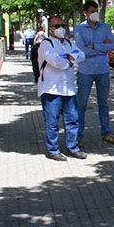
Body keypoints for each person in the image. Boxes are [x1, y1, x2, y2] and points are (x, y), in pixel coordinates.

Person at [38, 16, 87, 161]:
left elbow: (82, 55)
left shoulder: (69, 43)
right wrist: (70, 61)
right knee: (52, 122)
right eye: (56, 26)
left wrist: (69, 57)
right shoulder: (46, 45)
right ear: (50, 29)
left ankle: (73, 147)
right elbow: (55, 61)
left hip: (69, 89)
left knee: (72, 119)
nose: (60, 28)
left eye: (62, 25)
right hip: (51, 89)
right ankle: (53, 150)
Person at [74, 1, 114, 146]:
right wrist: (101, 49)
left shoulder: (105, 28)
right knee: (81, 104)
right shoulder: (79, 30)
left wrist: (94, 46)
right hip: (85, 71)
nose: (95, 13)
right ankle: (78, 135)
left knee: (104, 103)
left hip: (102, 70)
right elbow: (81, 50)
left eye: (96, 11)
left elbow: (111, 45)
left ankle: (106, 133)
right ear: (85, 13)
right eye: (92, 11)